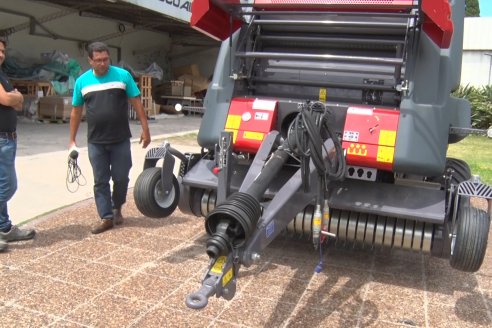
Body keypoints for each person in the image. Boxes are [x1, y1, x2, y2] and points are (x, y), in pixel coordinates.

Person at [69, 41, 151, 234]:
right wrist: (72, 140)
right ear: (90, 60)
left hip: (120, 139)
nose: (103, 63)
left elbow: (136, 102)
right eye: (98, 60)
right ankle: (106, 217)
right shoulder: (82, 82)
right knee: (100, 180)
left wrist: (145, 128)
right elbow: (75, 111)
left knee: (121, 177)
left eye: (106, 59)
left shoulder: (123, 76)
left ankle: (117, 207)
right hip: (96, 141)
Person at [0, 37, 36, 252]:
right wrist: (14, 96)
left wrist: (15, 97)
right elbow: (7, 100)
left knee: (2, 184)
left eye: (2, 50)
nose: (0, 54)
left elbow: (18, 102)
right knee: (7, 186)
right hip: (1, 138)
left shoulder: (2, 75)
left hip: (8, 138)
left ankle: (4, 228)